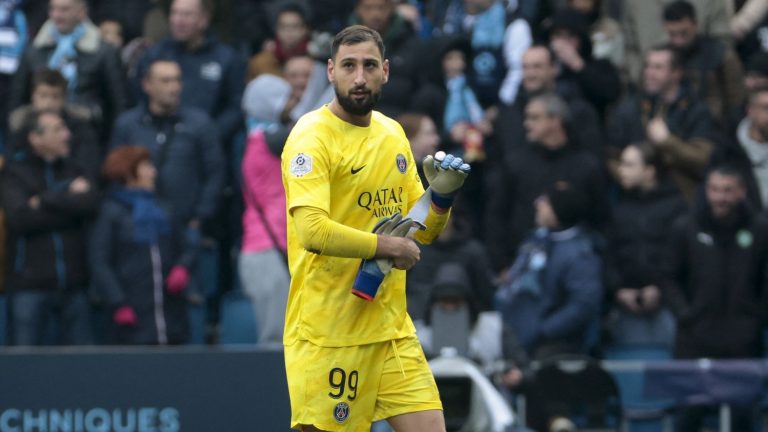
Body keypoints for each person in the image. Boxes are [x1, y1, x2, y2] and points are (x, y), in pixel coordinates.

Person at [281, 25, 470, 432]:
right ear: (331, 71)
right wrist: (387, 247)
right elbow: (312, 231)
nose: (360, 77)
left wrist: (441, 199)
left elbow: (421, 232)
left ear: (385, 70)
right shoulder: (310, 138)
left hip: (390, 330)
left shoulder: (391, 133)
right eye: (349, 66)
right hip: (330, 333)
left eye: (369, 65)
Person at [662, 165, 768, 431]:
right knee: (688, 418)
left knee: (742, 419)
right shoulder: (685, 227)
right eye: (715, 190)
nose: (721, 197)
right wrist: (685, 314)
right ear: (705, 191)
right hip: (694, 341)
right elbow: (669, 278)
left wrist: (756, 319)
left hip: (743, 343)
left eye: (728, 190)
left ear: (742, 191)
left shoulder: (760, 230)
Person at [1, 109, 100, 345]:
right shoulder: (14, 173)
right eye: (58, 130)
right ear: (35, 138)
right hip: (29, 285)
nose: (67, 135)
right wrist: (68, 198)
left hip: (75, 284)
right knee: (25, 365)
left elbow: (91, 203)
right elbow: (21, 219)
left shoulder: (74, 168)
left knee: (83, 367)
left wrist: (45, 199)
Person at [90, 145, 192, 345]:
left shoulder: (164, 209)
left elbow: (187, 246)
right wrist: (118, 302)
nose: (153, 172)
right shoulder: (111, 213)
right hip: (132, 313)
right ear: (128, 173)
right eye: (146, 166)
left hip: (171, 313)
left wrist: (182, 267)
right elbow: (100, 262)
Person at [604, 143, 686, 347]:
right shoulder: (618, 209)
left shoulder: (676, 207)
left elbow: (680, 255)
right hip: (626, 305)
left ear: (649, 171)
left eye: (629, 165)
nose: (621, 170)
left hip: (668, 305)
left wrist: (660, 287)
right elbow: (609, 254)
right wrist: (618, 289)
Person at [8, 0, 126, 137]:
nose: (57, 15)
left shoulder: (104, 52)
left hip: (89, 133)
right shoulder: (34, 50)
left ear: (82, 12)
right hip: (39, 134)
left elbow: (119, 103)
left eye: (64, 10)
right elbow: (16, 100)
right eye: (53, 9)